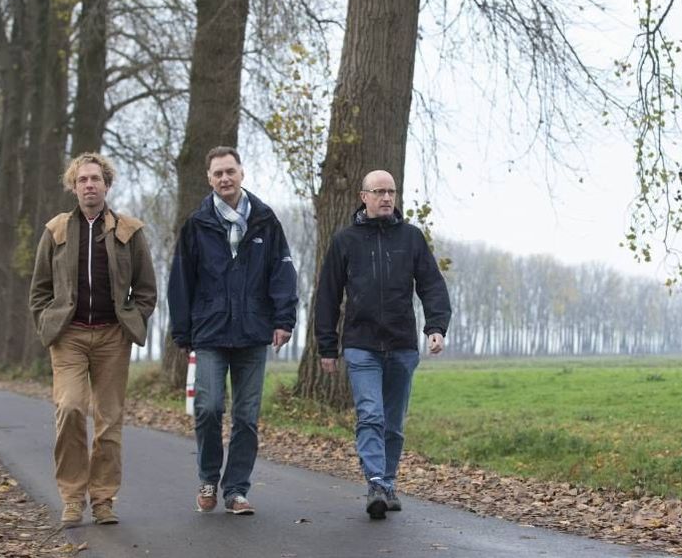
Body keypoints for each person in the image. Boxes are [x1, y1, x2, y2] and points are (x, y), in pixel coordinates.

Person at [29, 152, 157, 527]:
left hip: (111, 338)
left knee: (109, 420)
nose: (89, 185)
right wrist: (46, 324)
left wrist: (131, 320)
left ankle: (102, 500)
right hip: (68, 338)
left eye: (95, 179)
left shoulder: (129, 231)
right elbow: (39, 290)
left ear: (107, 185)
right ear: (73, 186)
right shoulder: (55, 230)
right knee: (69, 409)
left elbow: (146, 289)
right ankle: (72, 498)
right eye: (82, 179)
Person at [168, 146, 298, 515]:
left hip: (253, 334)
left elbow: (283, 273)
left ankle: (236, 490)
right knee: (208, 408)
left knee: (246, 416)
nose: (225, 178)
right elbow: (180, 281)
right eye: (218, 174)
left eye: (230, 171)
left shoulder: (266, 221)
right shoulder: (196, 225)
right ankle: (209, 477)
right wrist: (183, 331)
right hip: (209, 332)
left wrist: (283, 319)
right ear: (209, 179)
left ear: (242, 173)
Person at [315, 169, 452, 520]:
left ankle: (388, 482)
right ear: (364, 196)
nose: (387, 198)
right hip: (361, 345)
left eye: (391, 191)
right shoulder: (346, 241)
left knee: (393, 423)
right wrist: (327, 346)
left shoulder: (411, 238)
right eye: (379, 191)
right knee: (371, 414)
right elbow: (328, 296)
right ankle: (375, 481)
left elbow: (432, 285)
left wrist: (436, 326)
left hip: (402, 345)